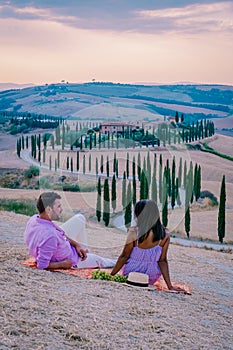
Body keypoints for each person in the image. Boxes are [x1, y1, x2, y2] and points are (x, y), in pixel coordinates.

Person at [24, 192, 116, 270]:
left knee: (80, 218)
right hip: (73, 261)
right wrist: (63, 264)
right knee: (100, 260)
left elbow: (60, 233)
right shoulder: (49, 236)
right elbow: (42, 265)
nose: (61, 209)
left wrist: (77, 245)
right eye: (58, 206)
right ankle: (119, 261)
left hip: (66, 247)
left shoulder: (35, 219)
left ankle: (84, 250)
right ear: (48, 209)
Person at [111, 199, 184, 291]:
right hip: (151, 277)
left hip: (131, 273)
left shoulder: (134, 232)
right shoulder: (165, 235)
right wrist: (170, 286)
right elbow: (162, 261)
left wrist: (112, 275)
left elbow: (124, 256)